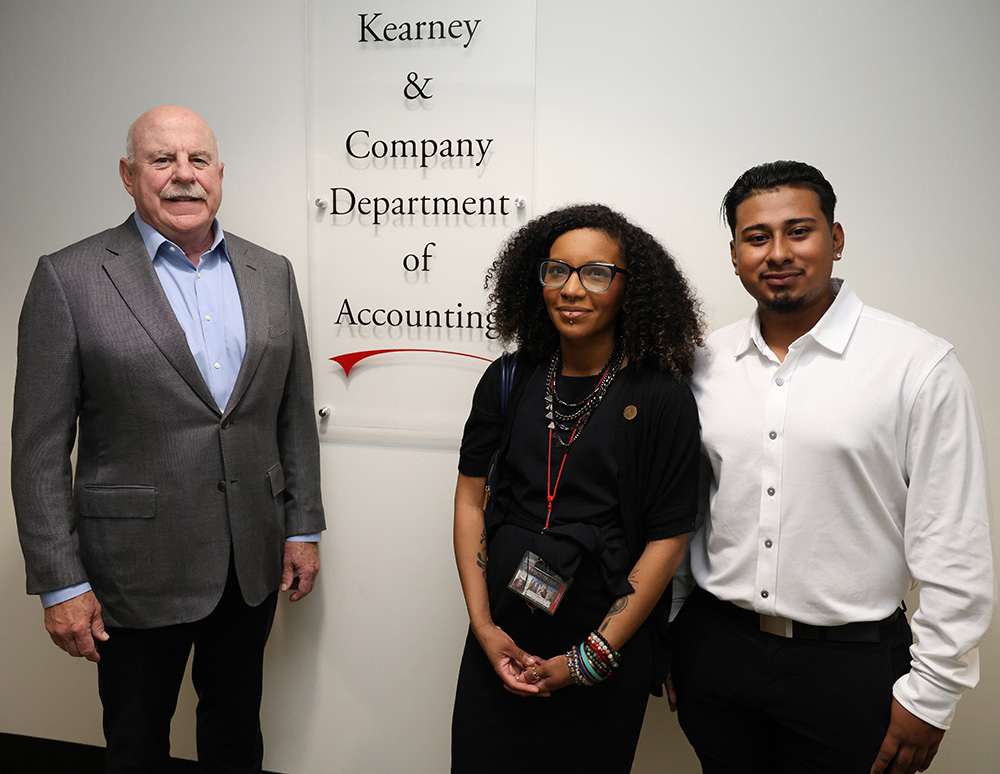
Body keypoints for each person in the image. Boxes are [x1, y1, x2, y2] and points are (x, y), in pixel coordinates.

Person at [11, 105, 326, 772]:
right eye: (162, 161)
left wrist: (302, 528)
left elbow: (291, 414)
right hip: (131, 569)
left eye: (198, 160)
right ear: (129, 175)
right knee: (136, 742)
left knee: (236, 732)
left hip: (250, 560)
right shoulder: (69, 279)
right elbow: (38, 449)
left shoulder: (271, 273)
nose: (183, 176)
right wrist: (60, 583)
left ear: (219, 174)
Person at [670, 160, 993, 774]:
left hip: (852, 669)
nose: (778, 253)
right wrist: (676, 633)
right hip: (716, 652)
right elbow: (687, 511)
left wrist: (933, 694)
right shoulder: (702, 363)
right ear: (735, 253)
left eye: (799, 231)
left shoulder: (916, 366)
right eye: (757, 237)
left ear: (836, 239)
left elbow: (954, 541)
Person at [451, 204, 703, 773]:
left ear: (627, 289)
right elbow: (470, 501)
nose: (571, 289)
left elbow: (669, 538)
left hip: (603, 641)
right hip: (503, 631)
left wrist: (589, 658)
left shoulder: (661, 397)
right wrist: (484, 627)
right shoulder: (509, 379)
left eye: (595, 273)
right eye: (556, 271)